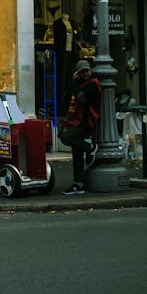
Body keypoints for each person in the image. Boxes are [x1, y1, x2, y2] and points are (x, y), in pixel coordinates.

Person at [60, 58, 100, 195]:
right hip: (76, 121)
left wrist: (76, 82)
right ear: (78, 73)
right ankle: (78, 184)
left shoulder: (92, 84)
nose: (85, 74)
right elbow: (69, 97)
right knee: (76, 152)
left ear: (91, 70)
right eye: (82, 72)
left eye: (87, 71)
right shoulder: (77, 84)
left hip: (86, 122)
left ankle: (90, 148)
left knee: (66, 138)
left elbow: (81, 97)